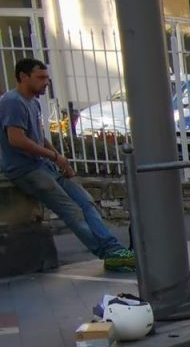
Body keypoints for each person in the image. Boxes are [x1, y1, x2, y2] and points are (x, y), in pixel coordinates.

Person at [0, 57, 136, 272]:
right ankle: (110, 253)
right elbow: (16, 139)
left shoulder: (33, 103)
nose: (46, 82)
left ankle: (113, 250)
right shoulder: (12, 102)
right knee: (72, 211)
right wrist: (53, 157)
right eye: (41, 77)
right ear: (23, 77)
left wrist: (59, 159)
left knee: (86, 202)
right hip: (26, 170)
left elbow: (38, 137)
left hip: (45, 165)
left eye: (47, 78)